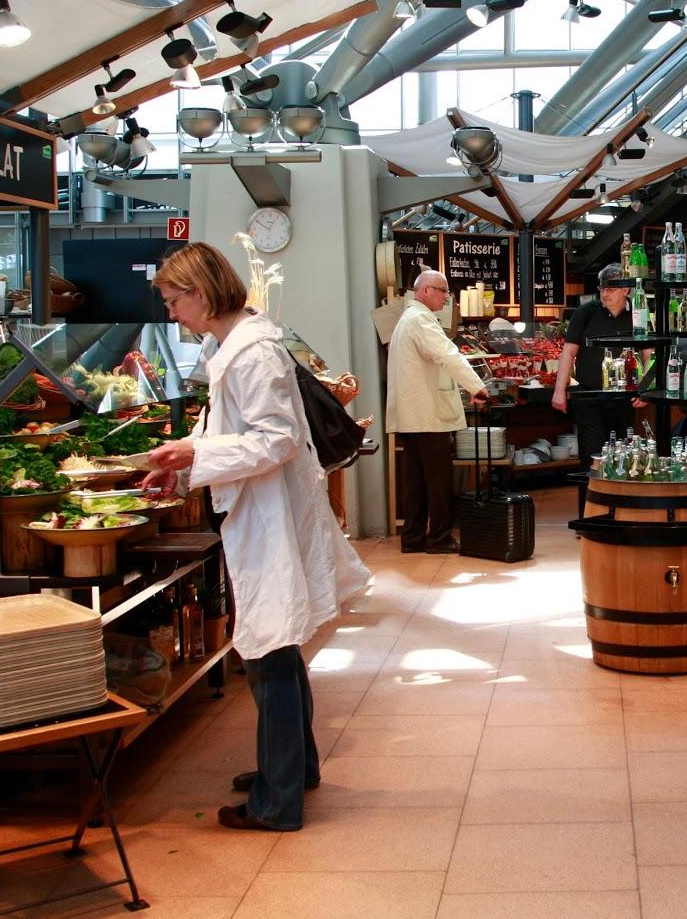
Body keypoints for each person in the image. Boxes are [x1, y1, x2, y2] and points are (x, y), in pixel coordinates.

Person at [144, 242, 371, 832]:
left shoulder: (251, 352)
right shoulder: (237, 344)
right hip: (263, 509)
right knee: (279, 643)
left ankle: (278, 801)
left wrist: (194, 453)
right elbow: (227, 427)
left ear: (200, 292)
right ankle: (296, 767)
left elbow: (276, 440)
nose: (172, 314)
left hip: (272, 514)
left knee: (269, 649)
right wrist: (182, 463)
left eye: (173, 301)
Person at [387, 270, 488, 554]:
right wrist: (476, 387)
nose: (447, 297)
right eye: (442, 291)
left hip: (413, 416)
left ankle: (413, 537)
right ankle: (439, 538)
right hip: (428, 416)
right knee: (438, 481)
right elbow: (448, 354)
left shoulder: (409, 319)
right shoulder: (420, 320)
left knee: (416, 482)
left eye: (447, 292)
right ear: (425, 291)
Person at [553, 263, 647, 515]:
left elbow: (650, 354)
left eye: (612, 288)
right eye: (602, 288)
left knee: (622, 456)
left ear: (626, 290)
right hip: (589, 395)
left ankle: (619, 512)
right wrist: (559, 389)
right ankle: (590, 515)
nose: (605, 294)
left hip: (623, 397)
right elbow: (568, 352)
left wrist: (647, 389)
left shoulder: (638, 315)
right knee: (591, 457)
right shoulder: (586, 312)